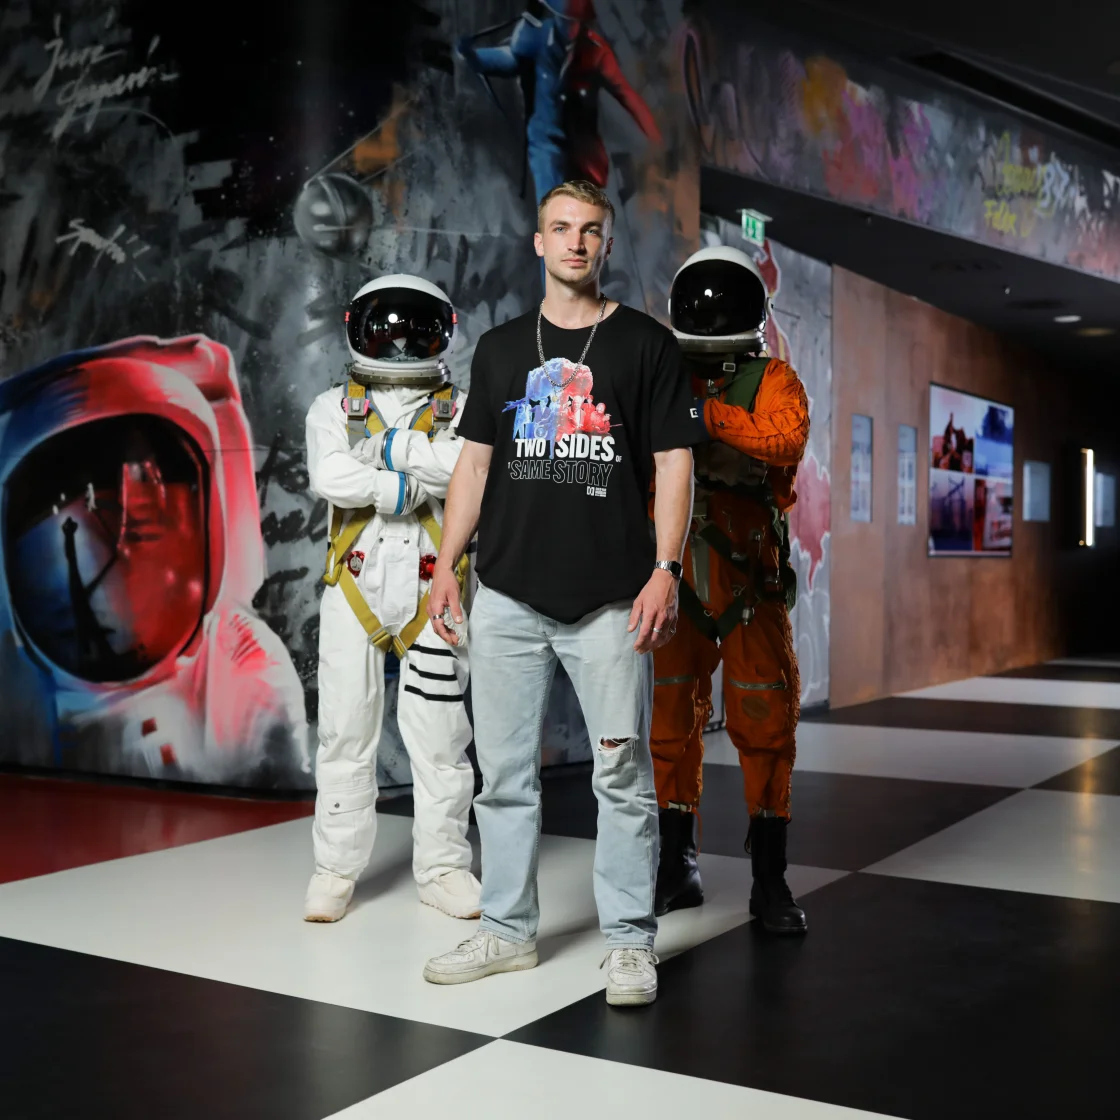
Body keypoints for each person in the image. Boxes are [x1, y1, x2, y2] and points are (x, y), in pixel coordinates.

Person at [420, 180, 699, 1006]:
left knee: (621, 777)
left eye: (590, 231)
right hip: (506, 593)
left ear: (606, 244)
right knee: (503, 776)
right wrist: (446, 564)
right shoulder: (503, 348)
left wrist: (666, 569)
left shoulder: (646, 346)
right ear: (537, 243)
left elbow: (675, 464)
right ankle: (506, 931)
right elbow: (473, 466)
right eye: (561, 229)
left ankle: (627, 943)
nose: (576, 243)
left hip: (613, 598)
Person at [302, 275, 481, 923]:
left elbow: (467, 470)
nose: (402, 341)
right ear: (359, 326)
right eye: (388, 327)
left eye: (416, 328)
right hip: (352, 593)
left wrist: (383, 453)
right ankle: (334, 869)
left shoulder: (459, 407)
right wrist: (405, 486)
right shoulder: (332, 407)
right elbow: (331, 477)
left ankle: (443, 867)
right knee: (344, 732)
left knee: (440, 738)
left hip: (437, 591)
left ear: (443, 330)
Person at [651, 245, 811, 935]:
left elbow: (786, 439)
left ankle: (768, 879)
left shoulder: (773, 379)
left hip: (750, 578)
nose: (713, 310)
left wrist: (706, 417)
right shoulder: (661, 376)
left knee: (766, 722)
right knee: (667, 723)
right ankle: (675, 864)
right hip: (675, 575)